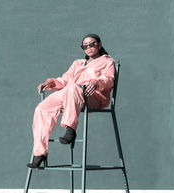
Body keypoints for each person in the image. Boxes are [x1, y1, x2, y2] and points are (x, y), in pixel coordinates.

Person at [27, 33, 116, 168]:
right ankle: (40, 153)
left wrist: (96, 82)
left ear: (99, 44)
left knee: (73, 87)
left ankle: (70, 129)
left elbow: (109, 79)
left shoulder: (108, 61)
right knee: (42, 107)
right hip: (70, 93)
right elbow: (65, 80)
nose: (89, 48)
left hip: (92, 96)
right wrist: (49, 83)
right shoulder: (78, 63)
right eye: (85, 46)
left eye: (92, 44)